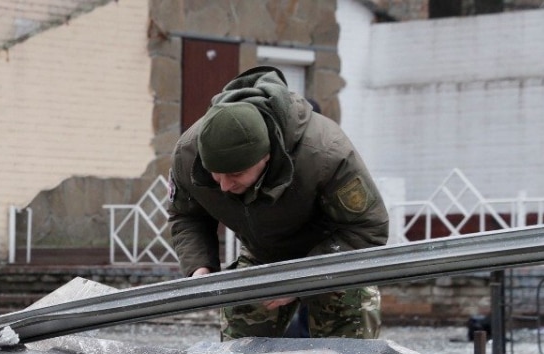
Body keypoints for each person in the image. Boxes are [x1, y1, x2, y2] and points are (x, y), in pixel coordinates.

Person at [166, 66, 388, 339]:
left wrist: (301, 279)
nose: (224, 186)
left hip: (333, 258)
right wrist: (200, 267)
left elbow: (368, 226)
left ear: (266, 157)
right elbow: (186, 215)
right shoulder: (188, 153)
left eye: (235, 175)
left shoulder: (326, 153)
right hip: (262, 256)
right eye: (216, 175)